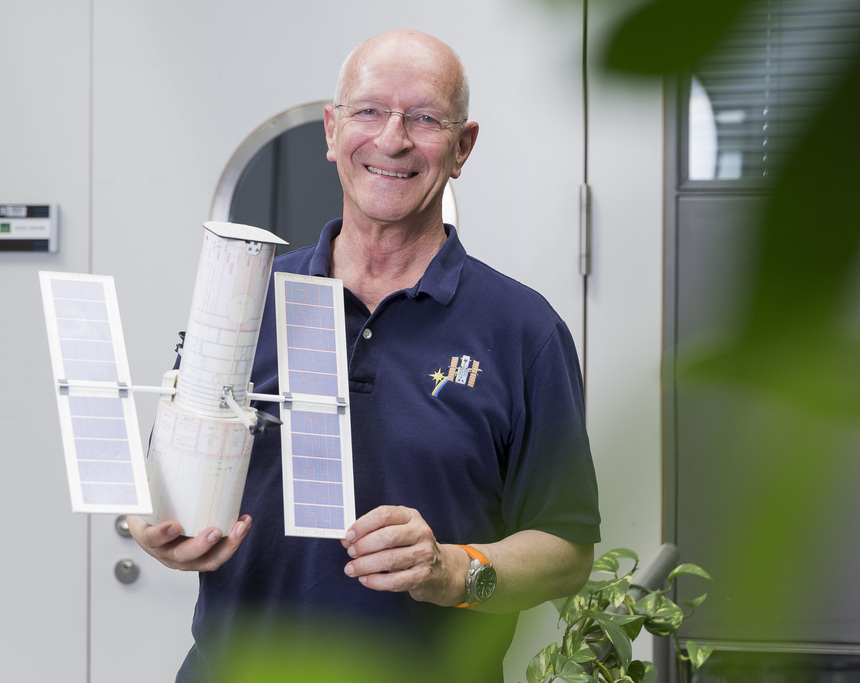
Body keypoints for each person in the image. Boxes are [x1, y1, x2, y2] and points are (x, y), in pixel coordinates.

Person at [128, 29, 600, 682]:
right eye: (369, 110)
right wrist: (158, 529)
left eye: (426, 117)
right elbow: (165, 484)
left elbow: (568, 550)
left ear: (462, 147)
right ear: (331, 129)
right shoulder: (244, 299)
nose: (392, 139)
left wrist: (456, 569)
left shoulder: (523, 330)